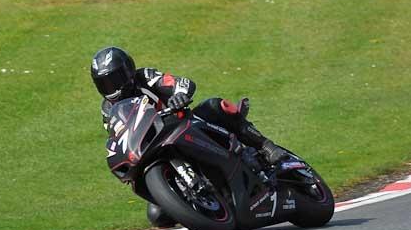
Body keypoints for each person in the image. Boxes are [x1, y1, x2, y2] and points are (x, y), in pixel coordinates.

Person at [90, 46, 289, 166]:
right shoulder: (108, 110)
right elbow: (120, 138)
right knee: (158, 216)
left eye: (116, 79)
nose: (112, 87)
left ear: (129, 71)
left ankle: (266, 146)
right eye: (105, 83)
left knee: (215, 106)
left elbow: (180, 83)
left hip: (182, 124)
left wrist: (179, 96)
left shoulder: (145, 77)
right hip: (155, 147)